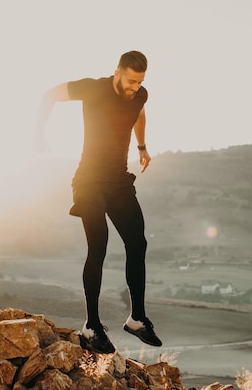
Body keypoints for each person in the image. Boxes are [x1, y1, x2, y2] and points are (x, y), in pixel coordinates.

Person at [34, 50, 162, 353]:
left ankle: (136, 319)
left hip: (118, 181)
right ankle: (91, 326)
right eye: (130, 81)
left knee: (138, 243)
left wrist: (142, 145)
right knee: (99, 246)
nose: (134, 87)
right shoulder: (93, 88)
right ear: (117, 73)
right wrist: (38, 133)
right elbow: (48, 95)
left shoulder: (140, 95)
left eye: (139, 82)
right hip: (89, 182)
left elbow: (139, 113)